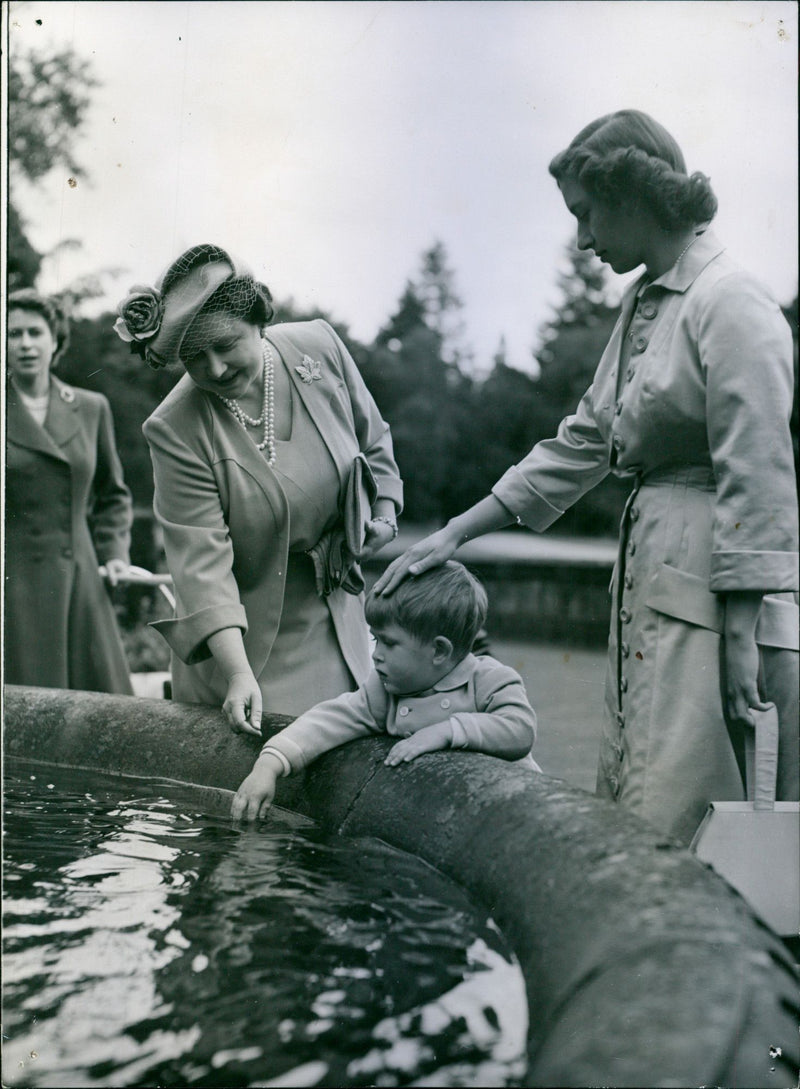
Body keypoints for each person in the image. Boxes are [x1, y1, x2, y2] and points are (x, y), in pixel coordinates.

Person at [375, 110, 799, 845]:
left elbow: (760, 473)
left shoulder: (731, 301)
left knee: (711, 817)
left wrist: (740, 634)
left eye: (586, 214)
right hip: (657, 587)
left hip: (721, 605)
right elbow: (583, 441)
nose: (582, 240)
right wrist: (456, 532)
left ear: (631, 195)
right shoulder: (644, 303)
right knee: (644, 806)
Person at [115, 244, 403, 733]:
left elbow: (373, 439)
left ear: (258, 318)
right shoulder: (173, 428)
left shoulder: (320, 347)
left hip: (340, 622)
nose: (215, 370)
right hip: (246, 650)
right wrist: (238, 673)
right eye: (194, 358)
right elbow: (201, 568)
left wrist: (384, 514)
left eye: (226, 345)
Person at [231, 561, 538, 821]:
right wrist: (269, 763)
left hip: (514, 813)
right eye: (375, 640)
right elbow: (330, 719)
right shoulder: (386, 691)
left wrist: (448, 731)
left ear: (440, 650)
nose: (376, 654)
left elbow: (520, 728)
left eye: (389, 643)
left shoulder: (488, 679)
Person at [5, 289, 134, 694]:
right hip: (13, 585)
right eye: (13, 334)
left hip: (80, 581)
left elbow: (113, 495)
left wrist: (115, 554)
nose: (25, 344)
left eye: (35, 332)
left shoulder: (91, 407)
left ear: (55, 339)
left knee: (97, 713)